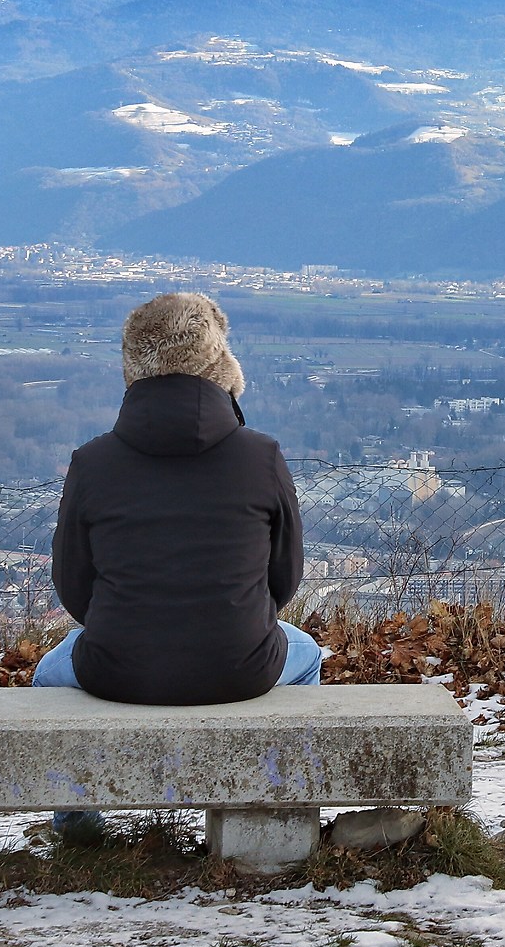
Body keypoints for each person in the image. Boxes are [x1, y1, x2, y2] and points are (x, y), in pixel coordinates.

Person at [35, 291, 319, 838]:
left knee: (49, 675)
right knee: (306, 656)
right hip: (243, 664)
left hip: (117, 666)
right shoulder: (262, 456)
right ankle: (276, 804)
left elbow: (74, 588)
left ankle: (76, 825)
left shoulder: (92, 461)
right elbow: (284, 580)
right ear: (220, 367)